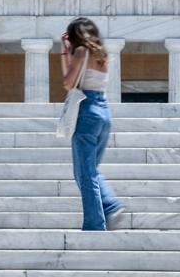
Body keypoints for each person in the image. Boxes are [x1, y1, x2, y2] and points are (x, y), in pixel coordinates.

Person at [60, 17, 124, 231]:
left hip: (86, 111)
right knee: (88, 170)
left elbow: (69, 83)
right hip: (103, 111)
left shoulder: (80, 52)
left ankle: (96, 223)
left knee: (85, 173)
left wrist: (68, 52)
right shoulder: (101, 54)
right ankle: (109, 204)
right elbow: (75, 78)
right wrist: (65, 53)